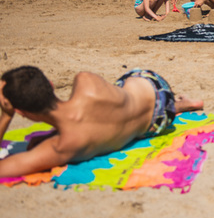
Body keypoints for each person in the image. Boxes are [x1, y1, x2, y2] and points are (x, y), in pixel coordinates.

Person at [0, 65, 203, 178]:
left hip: (158, 123)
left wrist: (7, 115)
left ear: (21, 112)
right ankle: (179, 104)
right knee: (120, 98)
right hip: (155, 85)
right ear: (51, 86)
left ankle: (179, 106)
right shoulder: (85, 81)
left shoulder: (62, 146)